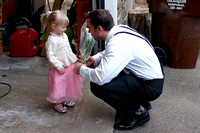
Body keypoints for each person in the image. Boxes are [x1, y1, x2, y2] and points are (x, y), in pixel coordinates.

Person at [75, 9, 164, 130]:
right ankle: (142, 102)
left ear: (99, 28)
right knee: (113, 72)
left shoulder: (118, 44)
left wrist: (81, 69)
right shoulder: (119, 31)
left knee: (97, 86)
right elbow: (108, 53)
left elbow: (101, 78)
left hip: (150, 86)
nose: (89, 32)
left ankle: (137, 113)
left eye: (90, 29)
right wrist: (94, 59)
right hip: (149, 76)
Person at [40, 10, 83, 113]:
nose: (65, 29)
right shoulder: (51, 40)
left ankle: (65, 98)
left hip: (69, 64)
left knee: (68, 83)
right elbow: (50, 56)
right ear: (54, 26)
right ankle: (57, 102)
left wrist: (74, 58)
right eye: (63, 27)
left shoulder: (64, 36)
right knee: (59, 85)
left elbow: (68, 49)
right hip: (59, 67)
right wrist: (58, 66)